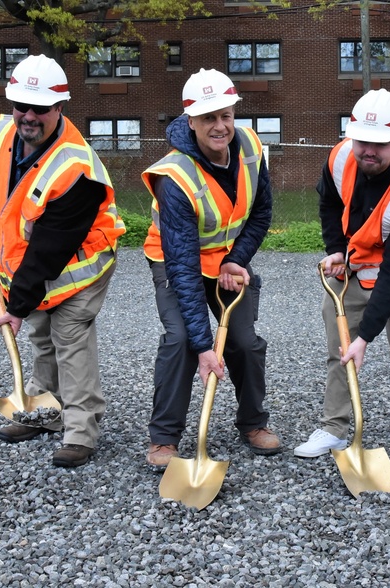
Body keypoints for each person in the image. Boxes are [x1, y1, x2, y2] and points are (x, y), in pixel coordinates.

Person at [0, 54, 126, 468]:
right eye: (22, 106)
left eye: (40, 108)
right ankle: (43, 412)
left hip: (80, 264)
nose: (29, 116)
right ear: (11, 104)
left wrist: (17, 305)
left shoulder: (77, 168)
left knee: (68, 339)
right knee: (41, 335)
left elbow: (51, 249)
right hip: (30, 264)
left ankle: (80, 431)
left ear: (60, 108)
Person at [293, 89, 390, 480]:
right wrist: (336, 249)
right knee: (337, 351)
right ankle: (334, 428)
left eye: (379, 144)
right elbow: (327, 201)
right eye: (362, 141)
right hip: (352, 268)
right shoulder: (341, 156)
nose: (368, 151)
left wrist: (365, 338)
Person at [140, 68, 280, 469]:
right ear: (190, 121)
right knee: (181, 339)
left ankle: (253, 424)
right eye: (208, 118)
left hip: (227, 260)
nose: (220, 126)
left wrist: (236, 259)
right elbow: (182, 269)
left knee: (245, 341)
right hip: (175, 262)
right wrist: (204, 347)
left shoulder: (250, 146)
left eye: (226, 115)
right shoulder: (174, 178)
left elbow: (261, 212)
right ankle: (164, 439)